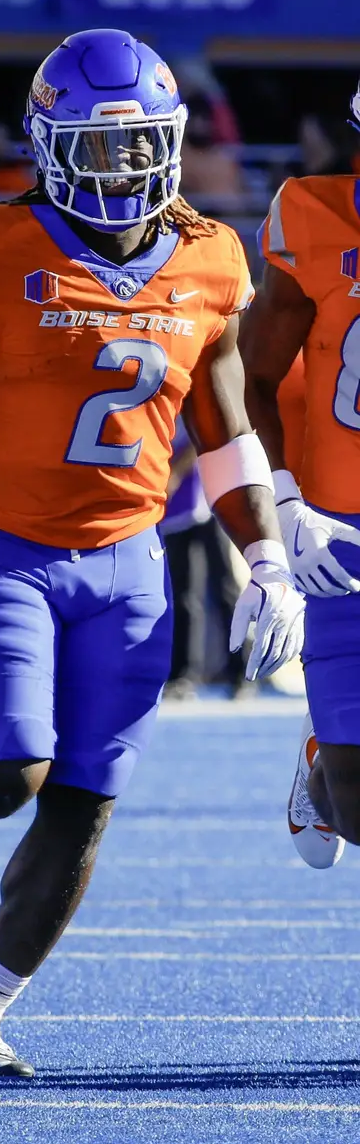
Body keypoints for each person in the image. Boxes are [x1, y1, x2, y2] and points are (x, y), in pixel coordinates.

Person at [0, 28, 305, 1078]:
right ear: (48, 149)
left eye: (142, 146)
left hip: (131, 565)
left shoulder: (208, 259)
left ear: (174, 143)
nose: (126, 170)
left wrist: (267, 559)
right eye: (99, 151)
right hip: (13, 550)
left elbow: (226, 431)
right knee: (10, 775)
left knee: (88, 800)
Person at [240, 77, 360, 872]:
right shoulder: (316, 216)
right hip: (337, 531)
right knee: (353, 814)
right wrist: (284, 497)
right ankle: (322, 756)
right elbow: (248, 375)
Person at [161, 418, 249, 699]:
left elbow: (203, 435)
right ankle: (184, 675)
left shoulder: (194, 386)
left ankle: (241, 673)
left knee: (225, 587)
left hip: (210, 500)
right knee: (183, 592)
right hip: (174, 508)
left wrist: (176, 472)